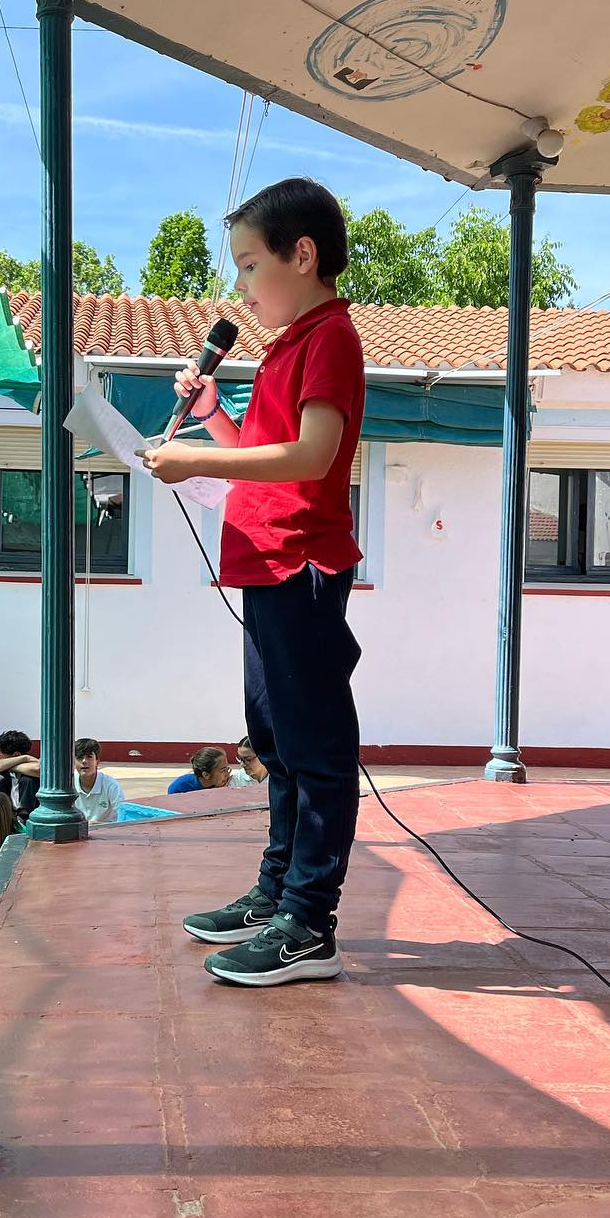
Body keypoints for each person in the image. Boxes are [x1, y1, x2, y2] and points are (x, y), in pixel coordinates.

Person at [142, 183, 364, 983]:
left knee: (316, 747)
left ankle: (310, 922)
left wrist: (197, 459)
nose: (241, 288)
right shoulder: (287, 347)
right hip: (265, 564)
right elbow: (262, 456)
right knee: (273, 743)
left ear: (302, 255)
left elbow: (311, 457)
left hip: (301, 564)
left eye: (248, 266)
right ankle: (277, 894)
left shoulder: (330, 338)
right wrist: (210, 418)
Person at [0, 730, 40, 825]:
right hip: (4, 815)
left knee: (28, 779)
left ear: (16, 755)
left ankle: (23, 820)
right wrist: (24, 758)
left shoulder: (31, 766)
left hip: (28, 817)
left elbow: (38, 769)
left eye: (0, 755)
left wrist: (10, 764)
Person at [74, 737, 126, 823]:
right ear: (74, 762)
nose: (84, 761)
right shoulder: (68, 783)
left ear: (97, 761)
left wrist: (100, 825)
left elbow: (123, 818)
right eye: (79, 757)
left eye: (89, 757)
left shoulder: (111, 785)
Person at [167, 746, 232, 794]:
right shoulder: (179, 788)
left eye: (227, 768)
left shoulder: (227, 782)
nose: (227, 774)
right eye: (223, 770)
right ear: (206, 775)